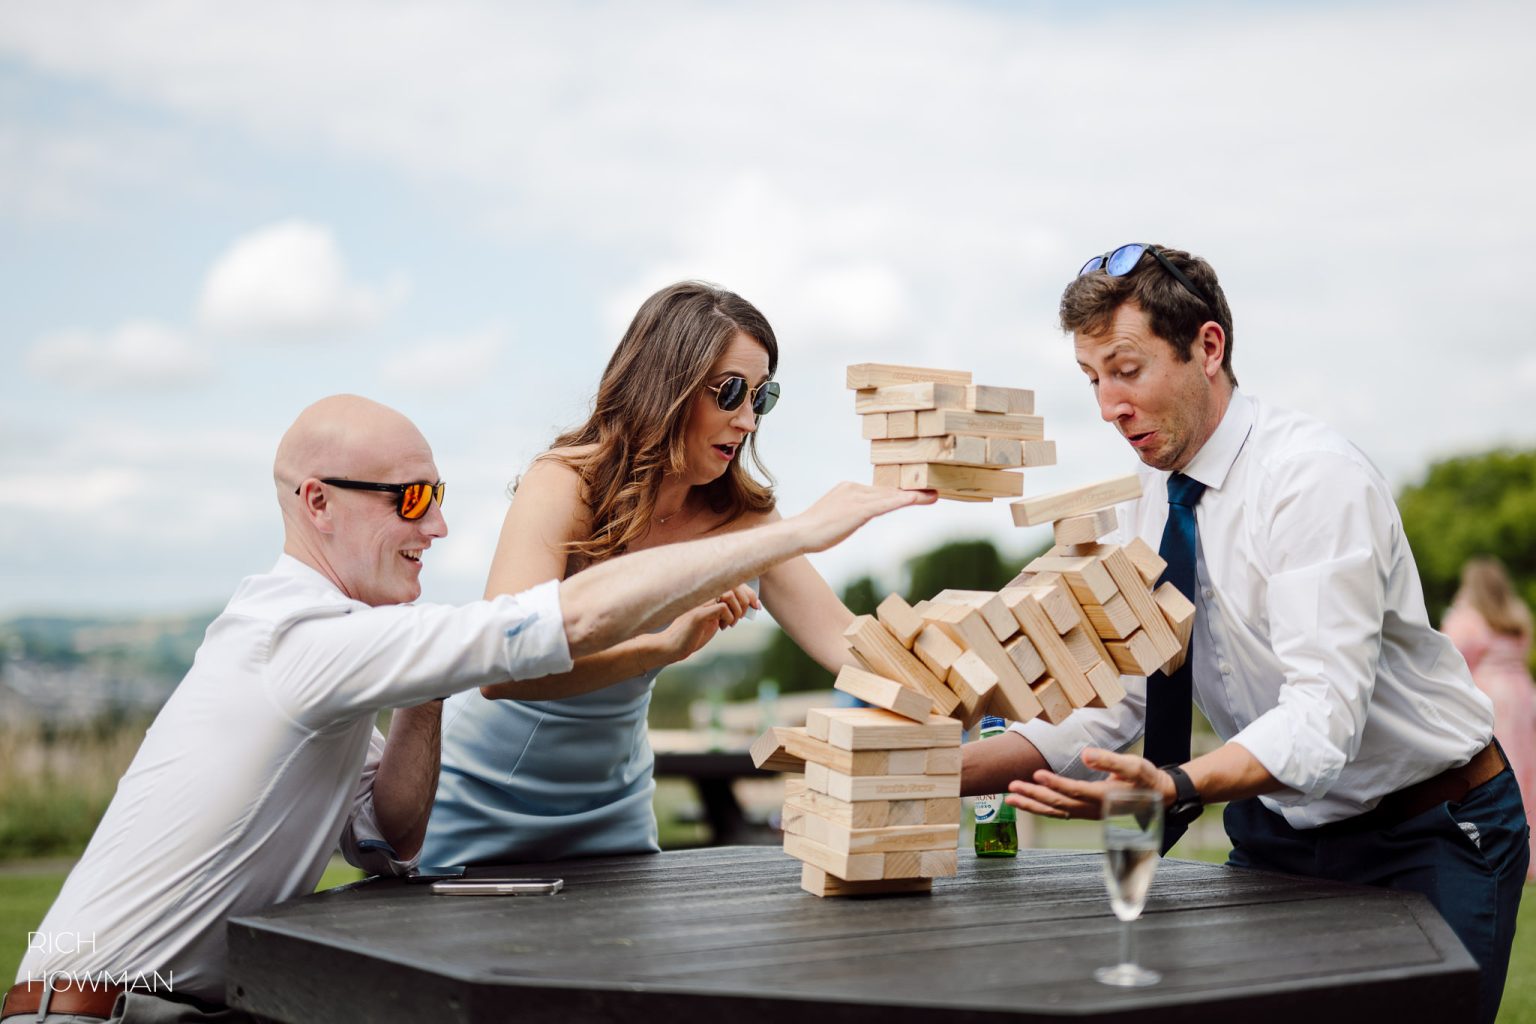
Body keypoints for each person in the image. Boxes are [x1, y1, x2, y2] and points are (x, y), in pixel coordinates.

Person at [6, 394, 930, 1024]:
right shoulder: (298, 643)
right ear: (318, 505)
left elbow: (390, 831)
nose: (437, 527)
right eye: (410, 499)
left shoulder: (324, 648)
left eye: (439, 497)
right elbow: (571, 616)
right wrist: (796, 532)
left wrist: (423, 685)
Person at [961, 244, 1526, 1023]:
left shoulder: (1313, 479)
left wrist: (1180, 784)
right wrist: (930, 772)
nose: (1107, 405)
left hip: (1427, 830)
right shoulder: (1145, 501)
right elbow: (1121, 698)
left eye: (1126, 370)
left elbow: (1323, 718)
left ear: (1208, 347)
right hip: (1280, 830)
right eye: (1092, 379)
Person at [423, 281, 878, 865]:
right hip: (479, 790)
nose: (748, 421)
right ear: (666, 385)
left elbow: (848, 645)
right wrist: (658, 646)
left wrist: (992, 672)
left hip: (613, 802)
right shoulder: (564, 482)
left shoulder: (743, 516)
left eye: (762, 398)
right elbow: (500, 668)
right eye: (731, 392)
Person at [1444, 556, 1536, 880]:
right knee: (1527, 768)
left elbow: (1450, 660)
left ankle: (1503, 839)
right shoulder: (1516, 614)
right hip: (1523, 694)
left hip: (1491, 698)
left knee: (1495, 768)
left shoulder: (1468, 619)